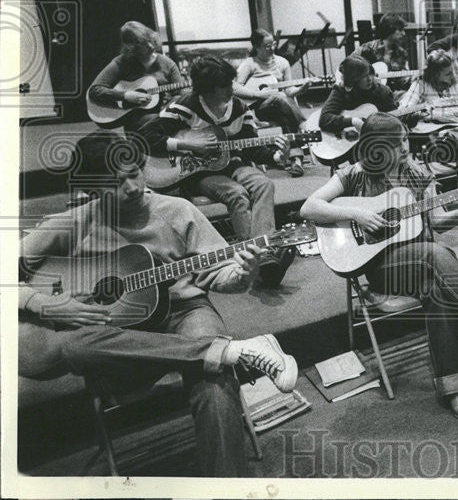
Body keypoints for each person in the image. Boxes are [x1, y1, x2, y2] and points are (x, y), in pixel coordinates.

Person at [18, 133, 298, 477]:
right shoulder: (75, 223)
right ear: (89, 188)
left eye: (136, 172)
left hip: (183, 312)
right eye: (116, 182)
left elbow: (217, 276)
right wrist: (42, 303)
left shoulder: (178, 211)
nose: (133, 187)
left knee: (214, 378)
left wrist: (243, 272)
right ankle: (229, 351)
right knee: (74, 346)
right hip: (119, 336)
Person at [299, 113, 458, 423]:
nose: (406, 147)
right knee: (436, 254)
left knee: (439, 289)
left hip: (425, 267)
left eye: (404, 139)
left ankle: (452, 388)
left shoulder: (417, 175)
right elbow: (309, 207)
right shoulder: (353, 175)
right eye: (398, 142)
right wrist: (359, 216)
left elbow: (438, 221)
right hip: (381, 268)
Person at [141, 56, 294, 287]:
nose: (231, 89)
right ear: (207, 90)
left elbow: (251, 147)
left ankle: (262, 253)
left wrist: (275, 156)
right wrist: (188, 145)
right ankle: (253, 259)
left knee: (264, 184)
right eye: (224, 86)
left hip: (232, 164)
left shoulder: (240, 108)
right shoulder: (184, 106)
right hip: (197, 172)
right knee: (237, 194)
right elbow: (146, 136)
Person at [234, 29, 306, 177]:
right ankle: (303, 125)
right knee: (280, 98)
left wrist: (302, 88)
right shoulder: (249, 64)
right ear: (257, 47)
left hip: (281, 106)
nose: (272, 48)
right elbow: (234, 87)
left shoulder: (283, 62)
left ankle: (295, 159)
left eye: (273, 44)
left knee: (284, 109)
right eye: (267, 46)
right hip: (259, 108)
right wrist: (258, 94)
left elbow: (289, 91)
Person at [88, 21, 186, 131]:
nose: (150, 45)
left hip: (164, 113)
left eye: (150, 40)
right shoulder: (121, 63)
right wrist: (125, 95)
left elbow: (180, 94)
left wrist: (171, 103)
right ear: (131, 47)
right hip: (137, 118)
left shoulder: (167, 63)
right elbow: (95, 90)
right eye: (143, 43)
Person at [317, 54, 396, 136]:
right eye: (363, 76)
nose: (369, 79)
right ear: (352, 79)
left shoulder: (383, 91)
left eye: (370, 73)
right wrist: (352, 121)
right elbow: (324, 119)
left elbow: (395, 120)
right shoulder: (341, 90)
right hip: (350, 141)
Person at [358, 13, 414, 92]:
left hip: (391, 93)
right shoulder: (369, 48)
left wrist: (412, 78)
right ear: (390, 29)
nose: (404, 33)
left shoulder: (401, 53)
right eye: (400, 30)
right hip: (368, 93)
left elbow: (402, 80)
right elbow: (346, 65)